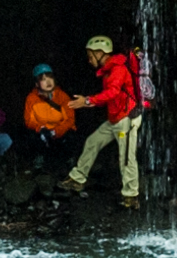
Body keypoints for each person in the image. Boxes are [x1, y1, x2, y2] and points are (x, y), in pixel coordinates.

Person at [58, 36, 143, 208]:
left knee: (126, 157)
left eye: (90, 56)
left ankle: (131, 196)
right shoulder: (109, 70)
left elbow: (112, 93)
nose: (89, 60)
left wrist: (87, 101)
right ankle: (78, 178)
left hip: (126, 119)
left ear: (99, 53)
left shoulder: (117, 69)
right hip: (115, 118)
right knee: (92, 142)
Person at [22, 63, 75, 145]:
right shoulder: (32, 98)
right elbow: (29, 120)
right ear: (37, 84)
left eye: (50, 77)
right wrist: (40, 128)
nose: (48, 81)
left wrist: (55, 132)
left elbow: (69, 120)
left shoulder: (62, 96)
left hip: (60, 132)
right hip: (42, 132)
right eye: (43, 79)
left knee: (71, 137)